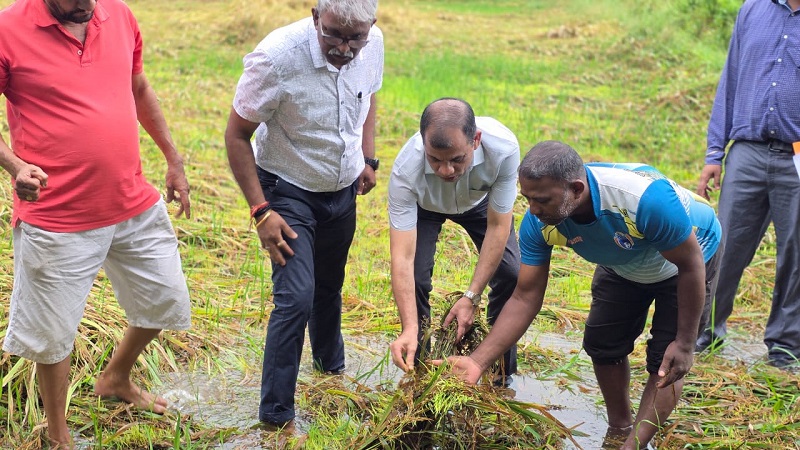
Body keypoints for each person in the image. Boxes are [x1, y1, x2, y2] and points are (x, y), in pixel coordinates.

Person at [435, 141, 722, 450]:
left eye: (542, 200)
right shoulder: (539, 221)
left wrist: (685, 341)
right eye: (527, 198)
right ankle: (619, 428)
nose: (532, 209)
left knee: (666, 362)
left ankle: (634, 446)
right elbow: (524, 297)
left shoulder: (643, 201)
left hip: (687, 261)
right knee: (602, 343)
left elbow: (691, 265)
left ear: (576, 188)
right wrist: (477, 362)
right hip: (622, 262)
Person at [0, 0, 193, 448]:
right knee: (52, 336)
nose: (86, 4)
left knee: (165, 298)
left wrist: (173, 159)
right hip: (56, 214)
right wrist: (15, 166)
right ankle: (58, 436)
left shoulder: (119, 15)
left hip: (132, 201)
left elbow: (138, 86)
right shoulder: (9, 29)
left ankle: (115, 379)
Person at [224, 0, 383, 429]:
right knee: (295, 299)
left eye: (356, 38)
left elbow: (368, 97)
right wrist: (261, 211)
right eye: (333, 34)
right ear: (315, 17)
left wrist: (368, 159)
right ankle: (276, 419)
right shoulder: (276, 58)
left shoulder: (373, 43)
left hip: (342, 188)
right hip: (286, 189)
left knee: (329, 287)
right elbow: (237, 135)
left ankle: (331, 374)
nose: (346, 49)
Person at [695, 0, 800, 369]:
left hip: (798, 156)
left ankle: (786, 348)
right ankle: (703, 333)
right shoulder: (752, 9)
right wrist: (714, 154)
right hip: (747, 151)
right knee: (723, 246)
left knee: (796, 255)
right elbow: (731, 80)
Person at [387, 98, 521, 383]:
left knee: (511, 273)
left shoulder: (504, 149)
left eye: (457, 159)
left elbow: (498, 227)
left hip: (480, 203)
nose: (445, 170)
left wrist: (471, 296)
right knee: (417, 278)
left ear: (476, 140)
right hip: (426, 206)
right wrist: (409, 325)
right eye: (434, 160)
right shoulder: (405, 170)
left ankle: (498, 369)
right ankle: (419, 369)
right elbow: (402, 257)